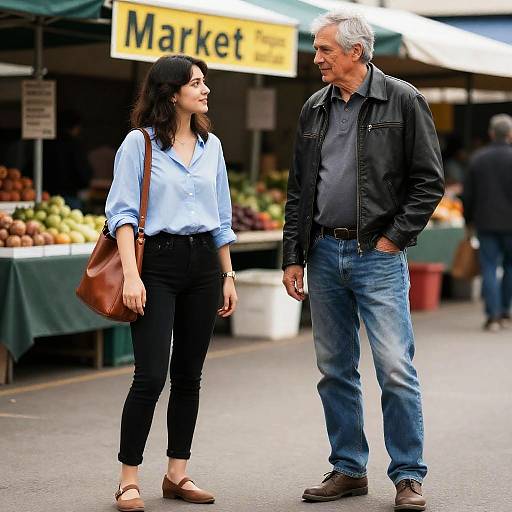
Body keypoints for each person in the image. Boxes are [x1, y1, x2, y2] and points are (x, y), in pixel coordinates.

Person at [281, 10, 444, 512]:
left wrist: (394, 240)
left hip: (377, 253)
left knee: (395, 367)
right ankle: (349, 468)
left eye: (325, 49)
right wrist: (293, 256)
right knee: (334, 368)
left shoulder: (403, 99)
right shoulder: (314, 107)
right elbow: (298, 189)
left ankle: (408, 475)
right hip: (324, 252)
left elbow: (428, 181)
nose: (317, 58)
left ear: (355, 51)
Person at [105, 55, 238, 512]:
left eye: (204, 83)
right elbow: (121, 214)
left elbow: (222, 217)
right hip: (155, 265)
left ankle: (177, 474)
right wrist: (132, 275)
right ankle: (128, 480)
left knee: (189, 377)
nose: (205, 91)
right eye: (196, 83)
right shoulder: (138, 144)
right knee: (149, 376)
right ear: (170, 92)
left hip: (203, 263)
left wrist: (227, 273)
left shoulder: (211, 145)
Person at [463, 114, 512, 332]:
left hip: (485, 222)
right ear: (510, 134)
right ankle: (504, 311)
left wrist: (468, 220)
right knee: (510, 267)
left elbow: (468, 195)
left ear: (491, 133)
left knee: (490, 267)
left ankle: (492, 316)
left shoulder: (478, 159)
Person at [43, 110, 93, 209]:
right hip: (70, 196)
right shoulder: (74, 145)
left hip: (46, 196)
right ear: (75, 127)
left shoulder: (45, 144)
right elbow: (83, 173)